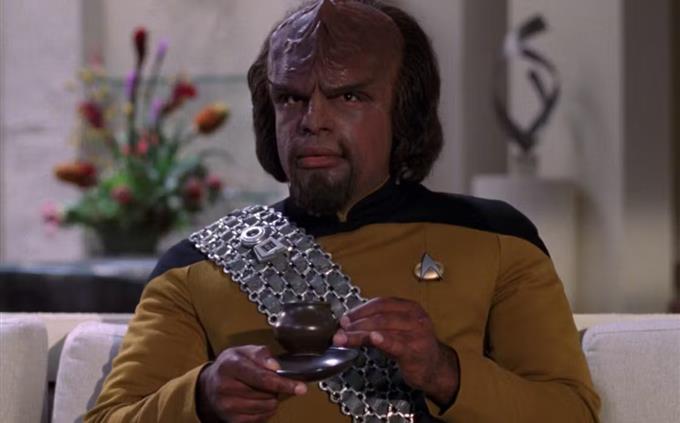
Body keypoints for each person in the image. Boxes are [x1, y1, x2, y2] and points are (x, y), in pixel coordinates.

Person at [86, 1, 600, 422]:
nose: (313, 120)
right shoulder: (194, 267)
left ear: (404, 112)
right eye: (290, 99)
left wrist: (445, 373)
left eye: (349, 95)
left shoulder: (497, 239)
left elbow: (572, 413)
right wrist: (199, 398)